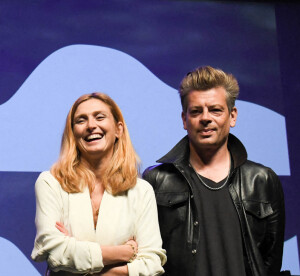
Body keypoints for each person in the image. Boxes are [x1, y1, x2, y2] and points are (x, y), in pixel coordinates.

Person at [143, 66, 286, 276]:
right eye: (196, 111)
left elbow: (270, 262)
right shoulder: (156, 180)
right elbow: (150, 259)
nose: (205, 118)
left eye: (215, 110)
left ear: (232, 116)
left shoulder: (262, 180)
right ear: (184, 120)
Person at [31, 92, 166, 276]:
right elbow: (54, 252)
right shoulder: (50, 183)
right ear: (72, 133)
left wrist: (79, 258)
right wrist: (123, 253)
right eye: (81, 120)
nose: (91, 125)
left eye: (100, 117)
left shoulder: (141, 191)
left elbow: (151, 265)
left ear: (118, 129)